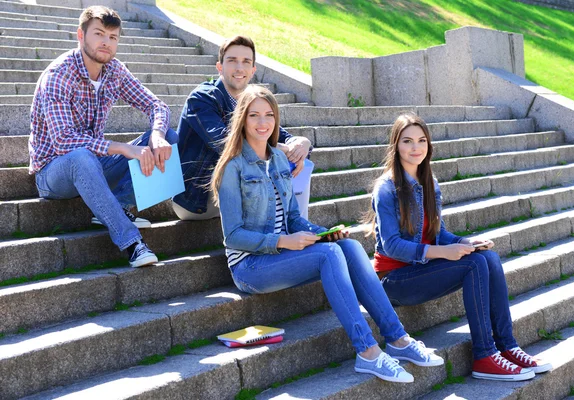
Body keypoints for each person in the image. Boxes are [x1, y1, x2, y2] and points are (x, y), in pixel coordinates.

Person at [211, 85, 444, 383]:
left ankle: (398, 340)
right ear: (242, 119)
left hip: (281, 255)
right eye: (254, 115)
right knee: (330, 255)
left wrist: (325, 233)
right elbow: (232, 236)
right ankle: (368, 352)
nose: (262, 122)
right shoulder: (233, 167)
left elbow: (294, 217)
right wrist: (283, 241)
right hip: (250, 266)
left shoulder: (280, 160)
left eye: (269, 115)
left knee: (345, 245)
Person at [367, 113, 552, 381]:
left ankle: (508, 347)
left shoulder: (429, 183)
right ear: (396, 145)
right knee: (474, 264)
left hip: (422, 271)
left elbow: (438, 234)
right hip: (393, 280)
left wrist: (467, 242)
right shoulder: (385, 188)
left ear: (429, 145)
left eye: (421, 141)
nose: (415, 147)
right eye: (407, 141)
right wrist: (444, 252)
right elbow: (392, 245)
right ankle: (484, 356)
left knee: (486, 255)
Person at [28, 6, 177, 268]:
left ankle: (118, 203)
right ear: (80, 35)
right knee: (81, 156)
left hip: (95, 163)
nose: (106, 42)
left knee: (170, 138)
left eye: (112, 37)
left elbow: (158, 106)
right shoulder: (59, 75)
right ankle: (132, 243)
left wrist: (157, 134)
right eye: (99, 34)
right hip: (53, 172)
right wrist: (121, 148)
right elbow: (63, 140)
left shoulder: (115, 71)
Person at [174, 35, 313, 221]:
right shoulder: (202, 98)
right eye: (232, 61)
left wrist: (301, 144)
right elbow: (226, 145)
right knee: (259, 160)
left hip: (234, 192)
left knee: (301, 164)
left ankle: (298, 225)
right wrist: (282, 150)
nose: (239, 68)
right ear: (219, 67)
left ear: (253, 70)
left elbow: (281, 135)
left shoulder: (251, 102)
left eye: (246, 62)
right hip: (196, 199)